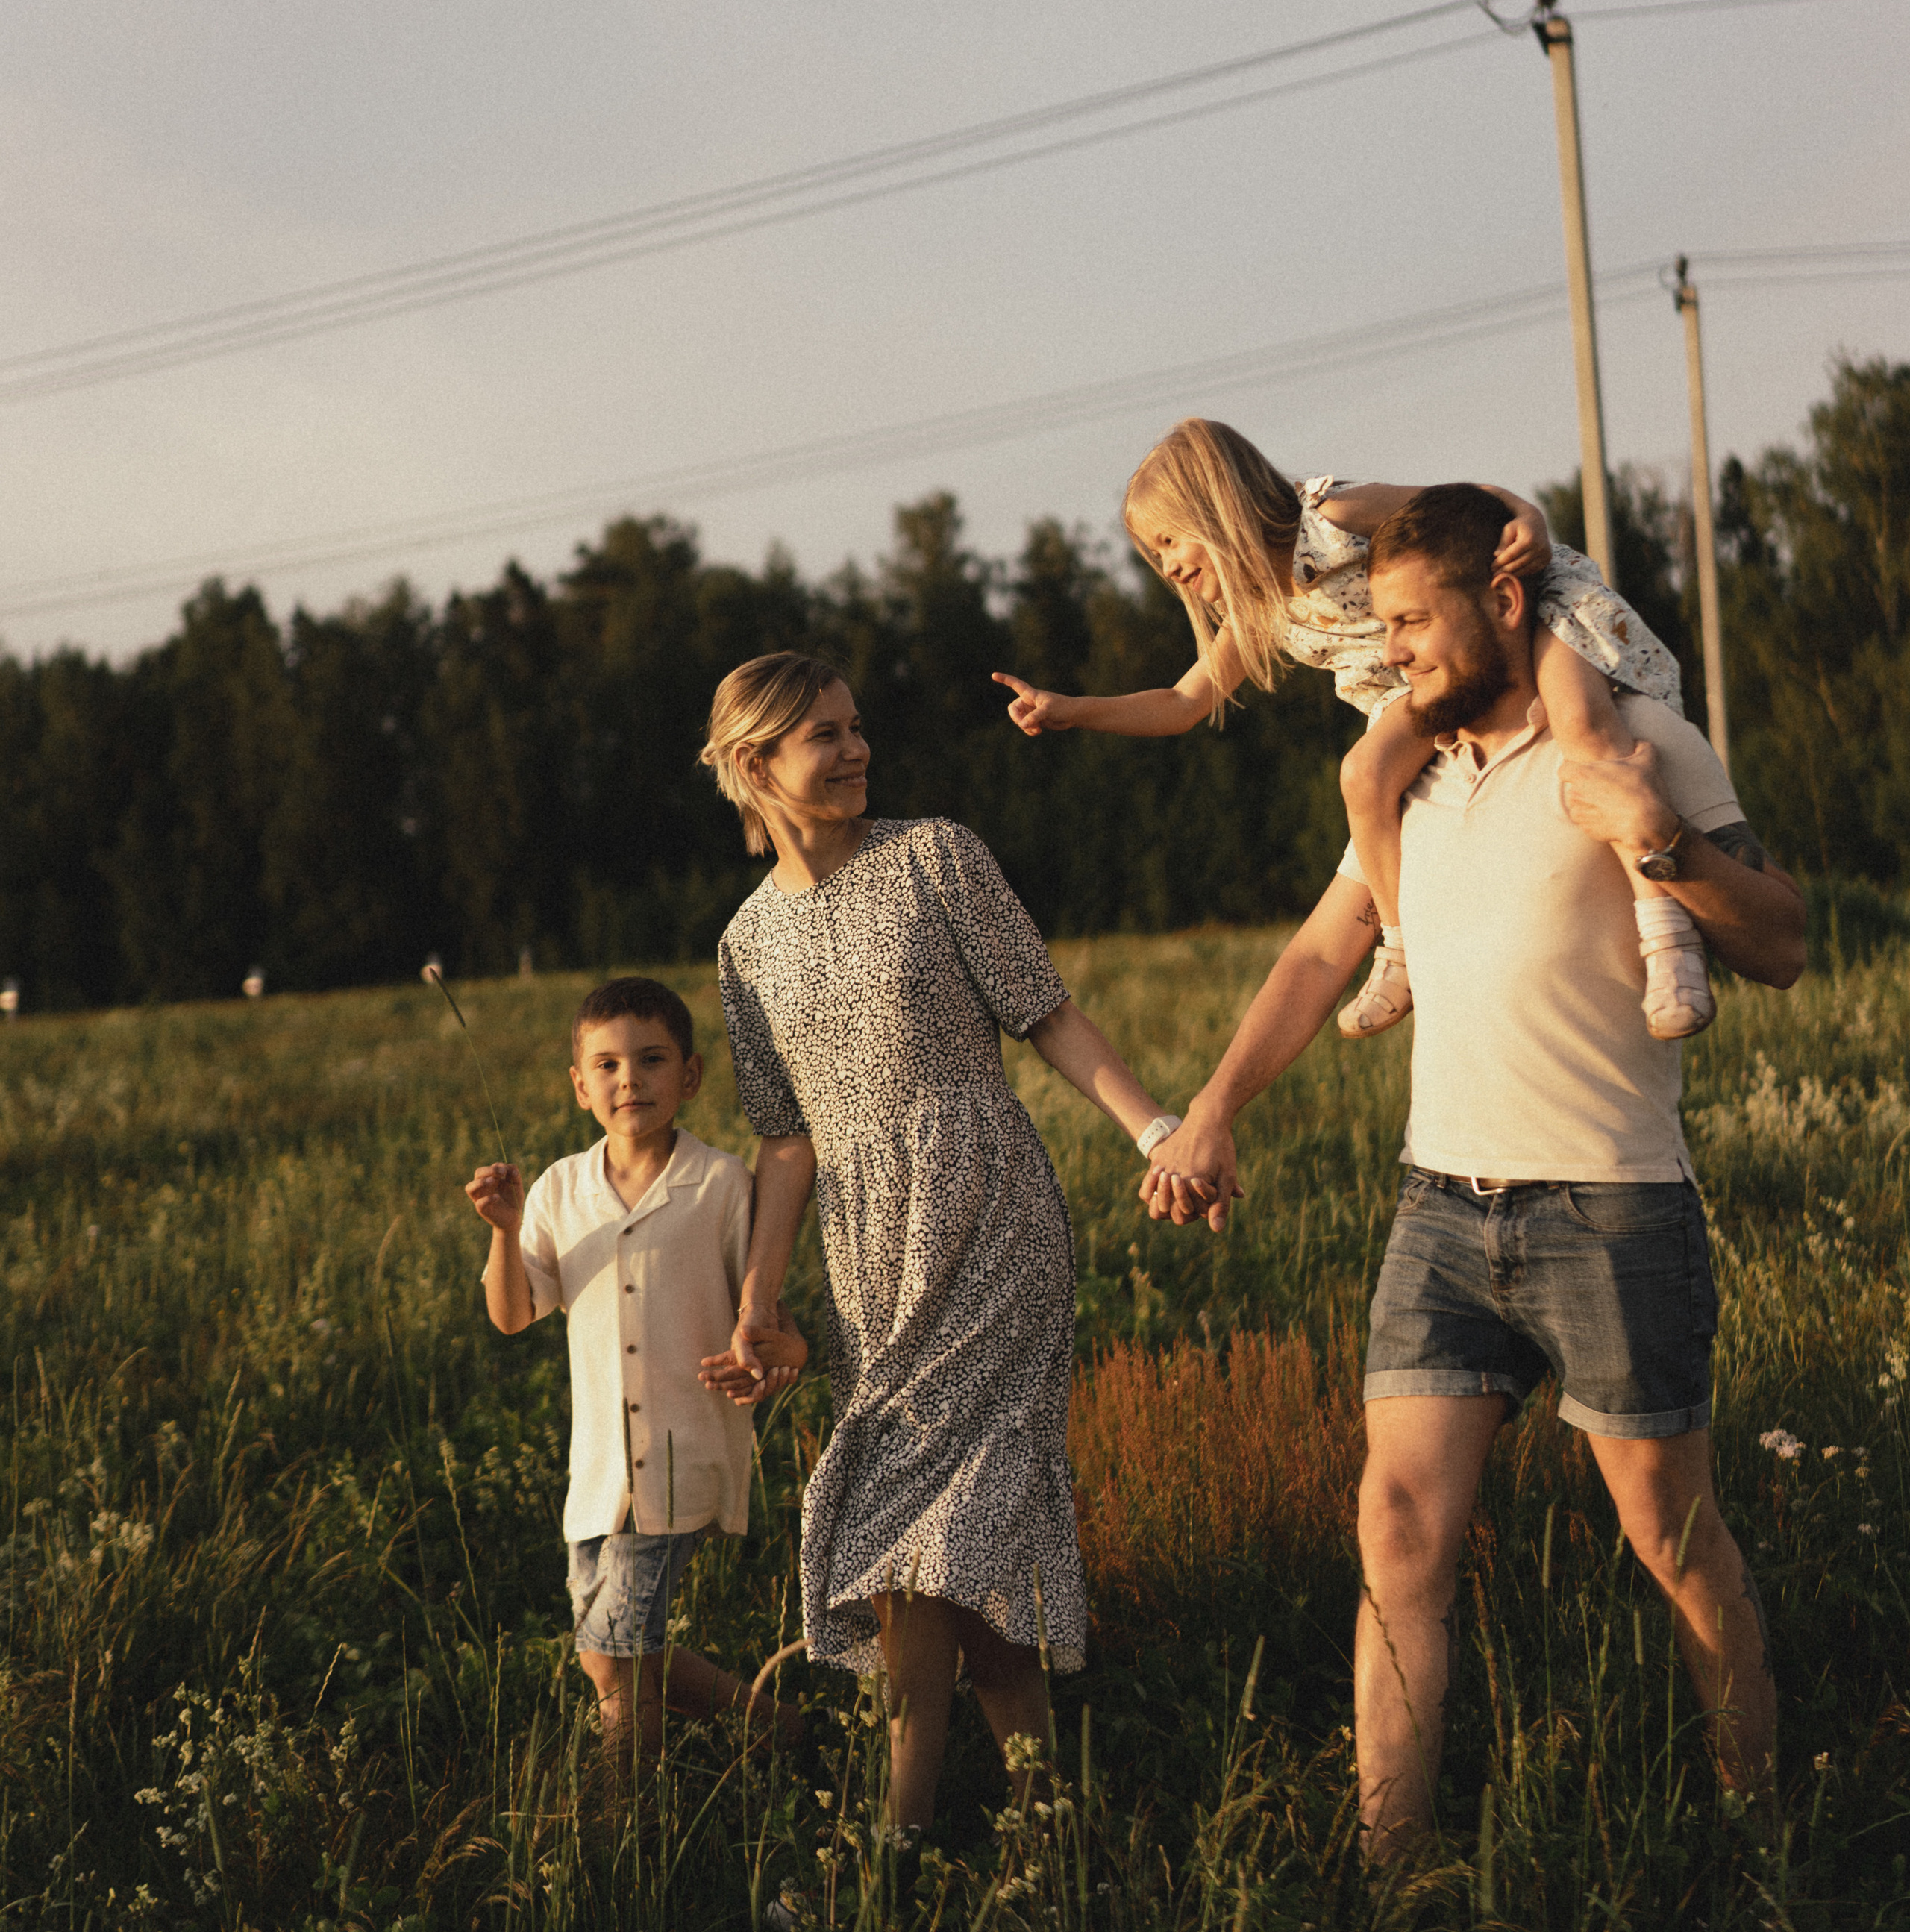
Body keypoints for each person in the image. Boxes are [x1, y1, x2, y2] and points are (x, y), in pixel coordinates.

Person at [1139, 486, 1805, 1859]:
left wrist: (1660, 841)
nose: (1390, 652)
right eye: (1377, 626)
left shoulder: (1638, 740)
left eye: (1411, 622)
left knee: (1671, 1537)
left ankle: (1765, 1838)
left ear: (1503, 600)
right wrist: (1211, 1108)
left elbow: (1783, 941)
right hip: (1440, 1209)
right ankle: (1393, 1873)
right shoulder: (1409, 779)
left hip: (1612, 1207)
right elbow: (1320, 954)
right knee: (1396, 1530)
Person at [695, 650, 1179, 1845]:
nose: (858, 749)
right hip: (870, 1260)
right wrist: (759, 1297)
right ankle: (1043, 1828)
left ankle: (899, 1839)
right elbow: (786, 1140)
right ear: (755, 763)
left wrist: (1157, 1130)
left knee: (951, 1534)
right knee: (940, 1545)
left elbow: (1048, 1015)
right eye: (825, 734)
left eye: (857, 726)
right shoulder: (745, 944)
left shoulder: (936, 856)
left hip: (991, 1217)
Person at [993, 415, 1714, 1044]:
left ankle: (1669, 938)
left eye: (1169, 540)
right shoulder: (1258, 607)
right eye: (1155, 555)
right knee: (1363, 775)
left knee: (1584, 724)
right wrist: (1073, 709)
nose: (1168, 566)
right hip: (1423, 680)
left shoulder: (1334, 515)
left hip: (1519, 611)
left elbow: (1462, 506)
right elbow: (1183, 701)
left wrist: (1528, 515)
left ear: (1216, 506)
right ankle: (1401, 949)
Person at [465, 975, 803, 1764]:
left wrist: (773, 1359)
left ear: (689, 1075)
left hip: (683, 1459)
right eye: (608, 1065)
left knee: (615, 1657)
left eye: (652, 1060)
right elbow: (512, 1315)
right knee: (607, 1654)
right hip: (596, 1470)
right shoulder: (560, 1189)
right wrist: (505, 1230)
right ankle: (780, 1732)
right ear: (580, 1086)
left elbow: (770, 1318)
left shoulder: (720, 1184)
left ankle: (625, 1814)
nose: (630, 1081)